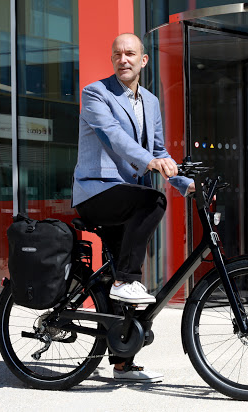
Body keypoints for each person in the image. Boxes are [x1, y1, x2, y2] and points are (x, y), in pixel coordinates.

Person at [72, 33, 194, 383]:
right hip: (97, 191)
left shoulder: (151, 102)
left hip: (125, 195)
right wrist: (152, 164)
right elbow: (115, 138)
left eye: (130, 54)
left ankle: (122, 362)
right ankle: (126, 280)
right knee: (153, 203)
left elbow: (159, 149)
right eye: (117, 54)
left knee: (117, 276)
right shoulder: (96, 93)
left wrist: (186, 184)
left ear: (143, 61)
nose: (123, 59)